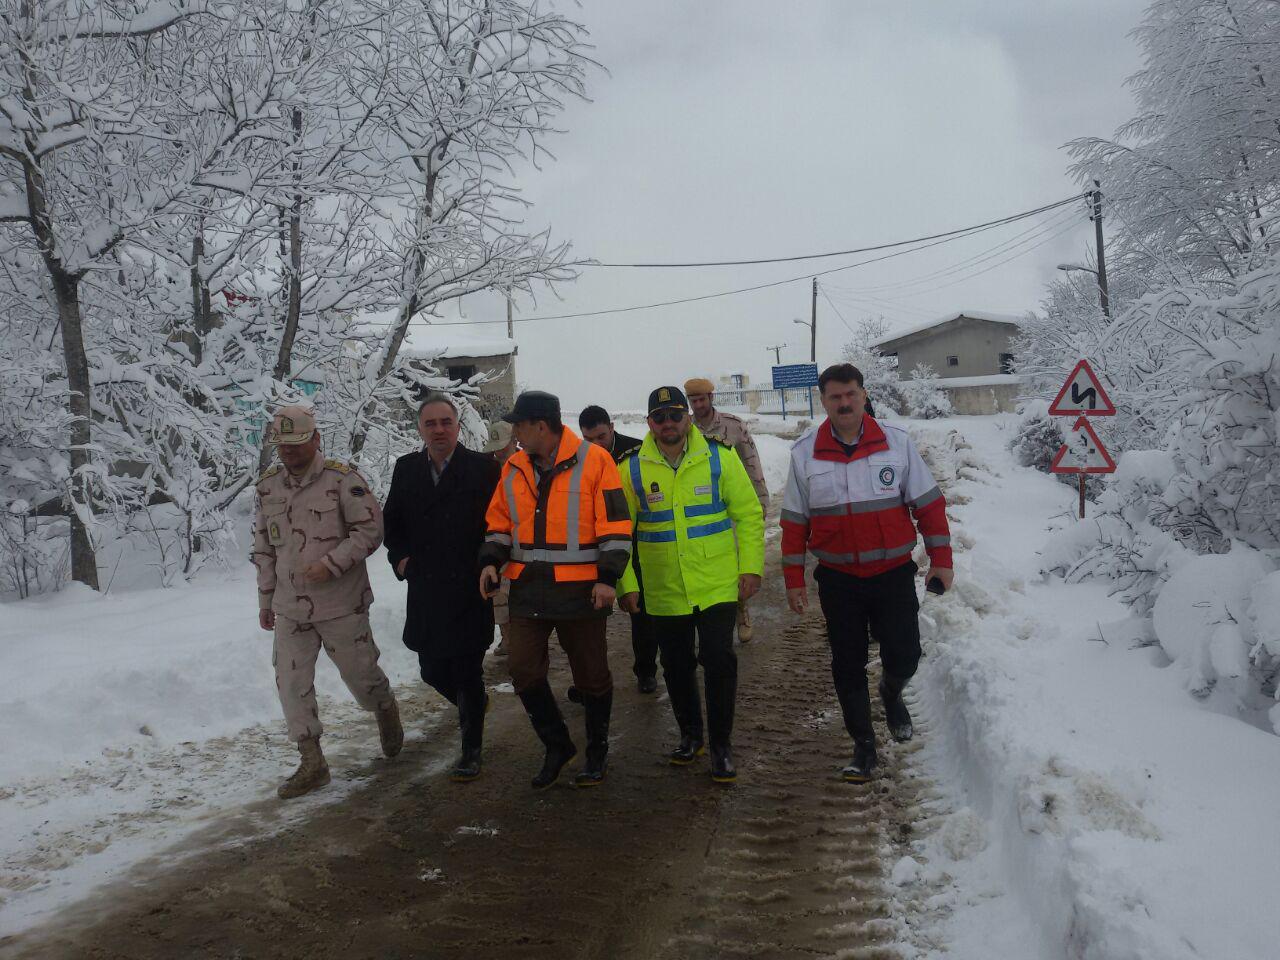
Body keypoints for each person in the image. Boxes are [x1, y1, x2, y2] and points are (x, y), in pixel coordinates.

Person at [780, 363, 954, 783]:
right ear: (823, 401)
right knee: (847, 663)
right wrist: (793, 580)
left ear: (862, 394)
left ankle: (891, 693)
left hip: (893, 574)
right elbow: (793, 522)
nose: (844, 403)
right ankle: (863, 744)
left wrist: (942, 559)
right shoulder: (804, 453)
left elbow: (928, 504)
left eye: (850, 394)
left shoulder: (896, 443)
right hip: (839, 581)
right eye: (835, 397)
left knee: (905, 653)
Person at [478, 391, 633, 789]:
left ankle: (596, 751)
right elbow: (499, 523)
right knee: (523, 669)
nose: (513, 432)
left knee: (592, 677)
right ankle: (557, 745)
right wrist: (490, 562)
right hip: (529, 591)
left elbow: (616, 527)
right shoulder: (513, 467)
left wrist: (607, 578)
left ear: (540, 426)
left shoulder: (595, 461)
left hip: (582, 592)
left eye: (519, 425)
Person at [252, 405, 403, 800]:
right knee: (290, 682)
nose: (289, 453)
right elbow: (264, 547)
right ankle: (312, 761)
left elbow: (371, 530)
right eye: (282, 446)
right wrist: (265, 597)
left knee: (361, 677)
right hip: (289, 606)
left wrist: (333, 564)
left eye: (297, 444)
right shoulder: (268, 486)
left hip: (340, 603)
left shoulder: (342, 480)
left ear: (315, 439)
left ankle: (384, 707)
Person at [617, 386, 764, 783]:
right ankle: (690, 736)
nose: (669, 423)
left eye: (675, 415)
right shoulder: (630, 468)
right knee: (676, 666)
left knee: (719, 661)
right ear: (649, 423)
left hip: (715, 584)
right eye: (660, 417)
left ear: (687, 417)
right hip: (663, 590)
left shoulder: (719, 456)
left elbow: (749, 514)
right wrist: (626, 584)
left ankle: (721, 746)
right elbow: (616, 534)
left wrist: (750, 567)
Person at [383, 393, 502, 782]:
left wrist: (490, 564)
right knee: (431, 669)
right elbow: (393, 524)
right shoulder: (406, 469)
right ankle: (475, 705)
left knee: (467, 670)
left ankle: (471, 749)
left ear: (457, 426)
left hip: (469, 586)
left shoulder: (483, 469)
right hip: (426, 588)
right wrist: (400, 559)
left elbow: (498, 526)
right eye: (430, 423)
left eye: (445, 422)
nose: (438, 430)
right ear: (420, 428)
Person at [578, 405, 657, 695]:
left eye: (601, 436)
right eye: (589, 439)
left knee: (640, 610)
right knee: (588, 622)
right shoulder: (577, 459)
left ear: (611, 427)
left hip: (634, 542)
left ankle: (646, 670)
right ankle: (588, 682)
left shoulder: (635, 453)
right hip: (594, 544)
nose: (596, 444)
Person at [684, 377, 768, 644]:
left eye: (701, 399)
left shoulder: (732, 426)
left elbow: (751, 462)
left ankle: (741, 610)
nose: (698, 405)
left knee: (739, 561)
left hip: (735, 500)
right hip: (705, 507)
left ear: (711, 397)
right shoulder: (685, 428)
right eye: (693, 401)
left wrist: (760, 499)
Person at [483, 420, 519, 657]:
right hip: (498, 541)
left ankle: (523, 641)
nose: (498, 453)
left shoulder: (527, 468)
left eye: (502, 448)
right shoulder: (489, 470)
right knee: (500, 595)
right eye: (495, 448)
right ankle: (509, 639)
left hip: (523, 543)